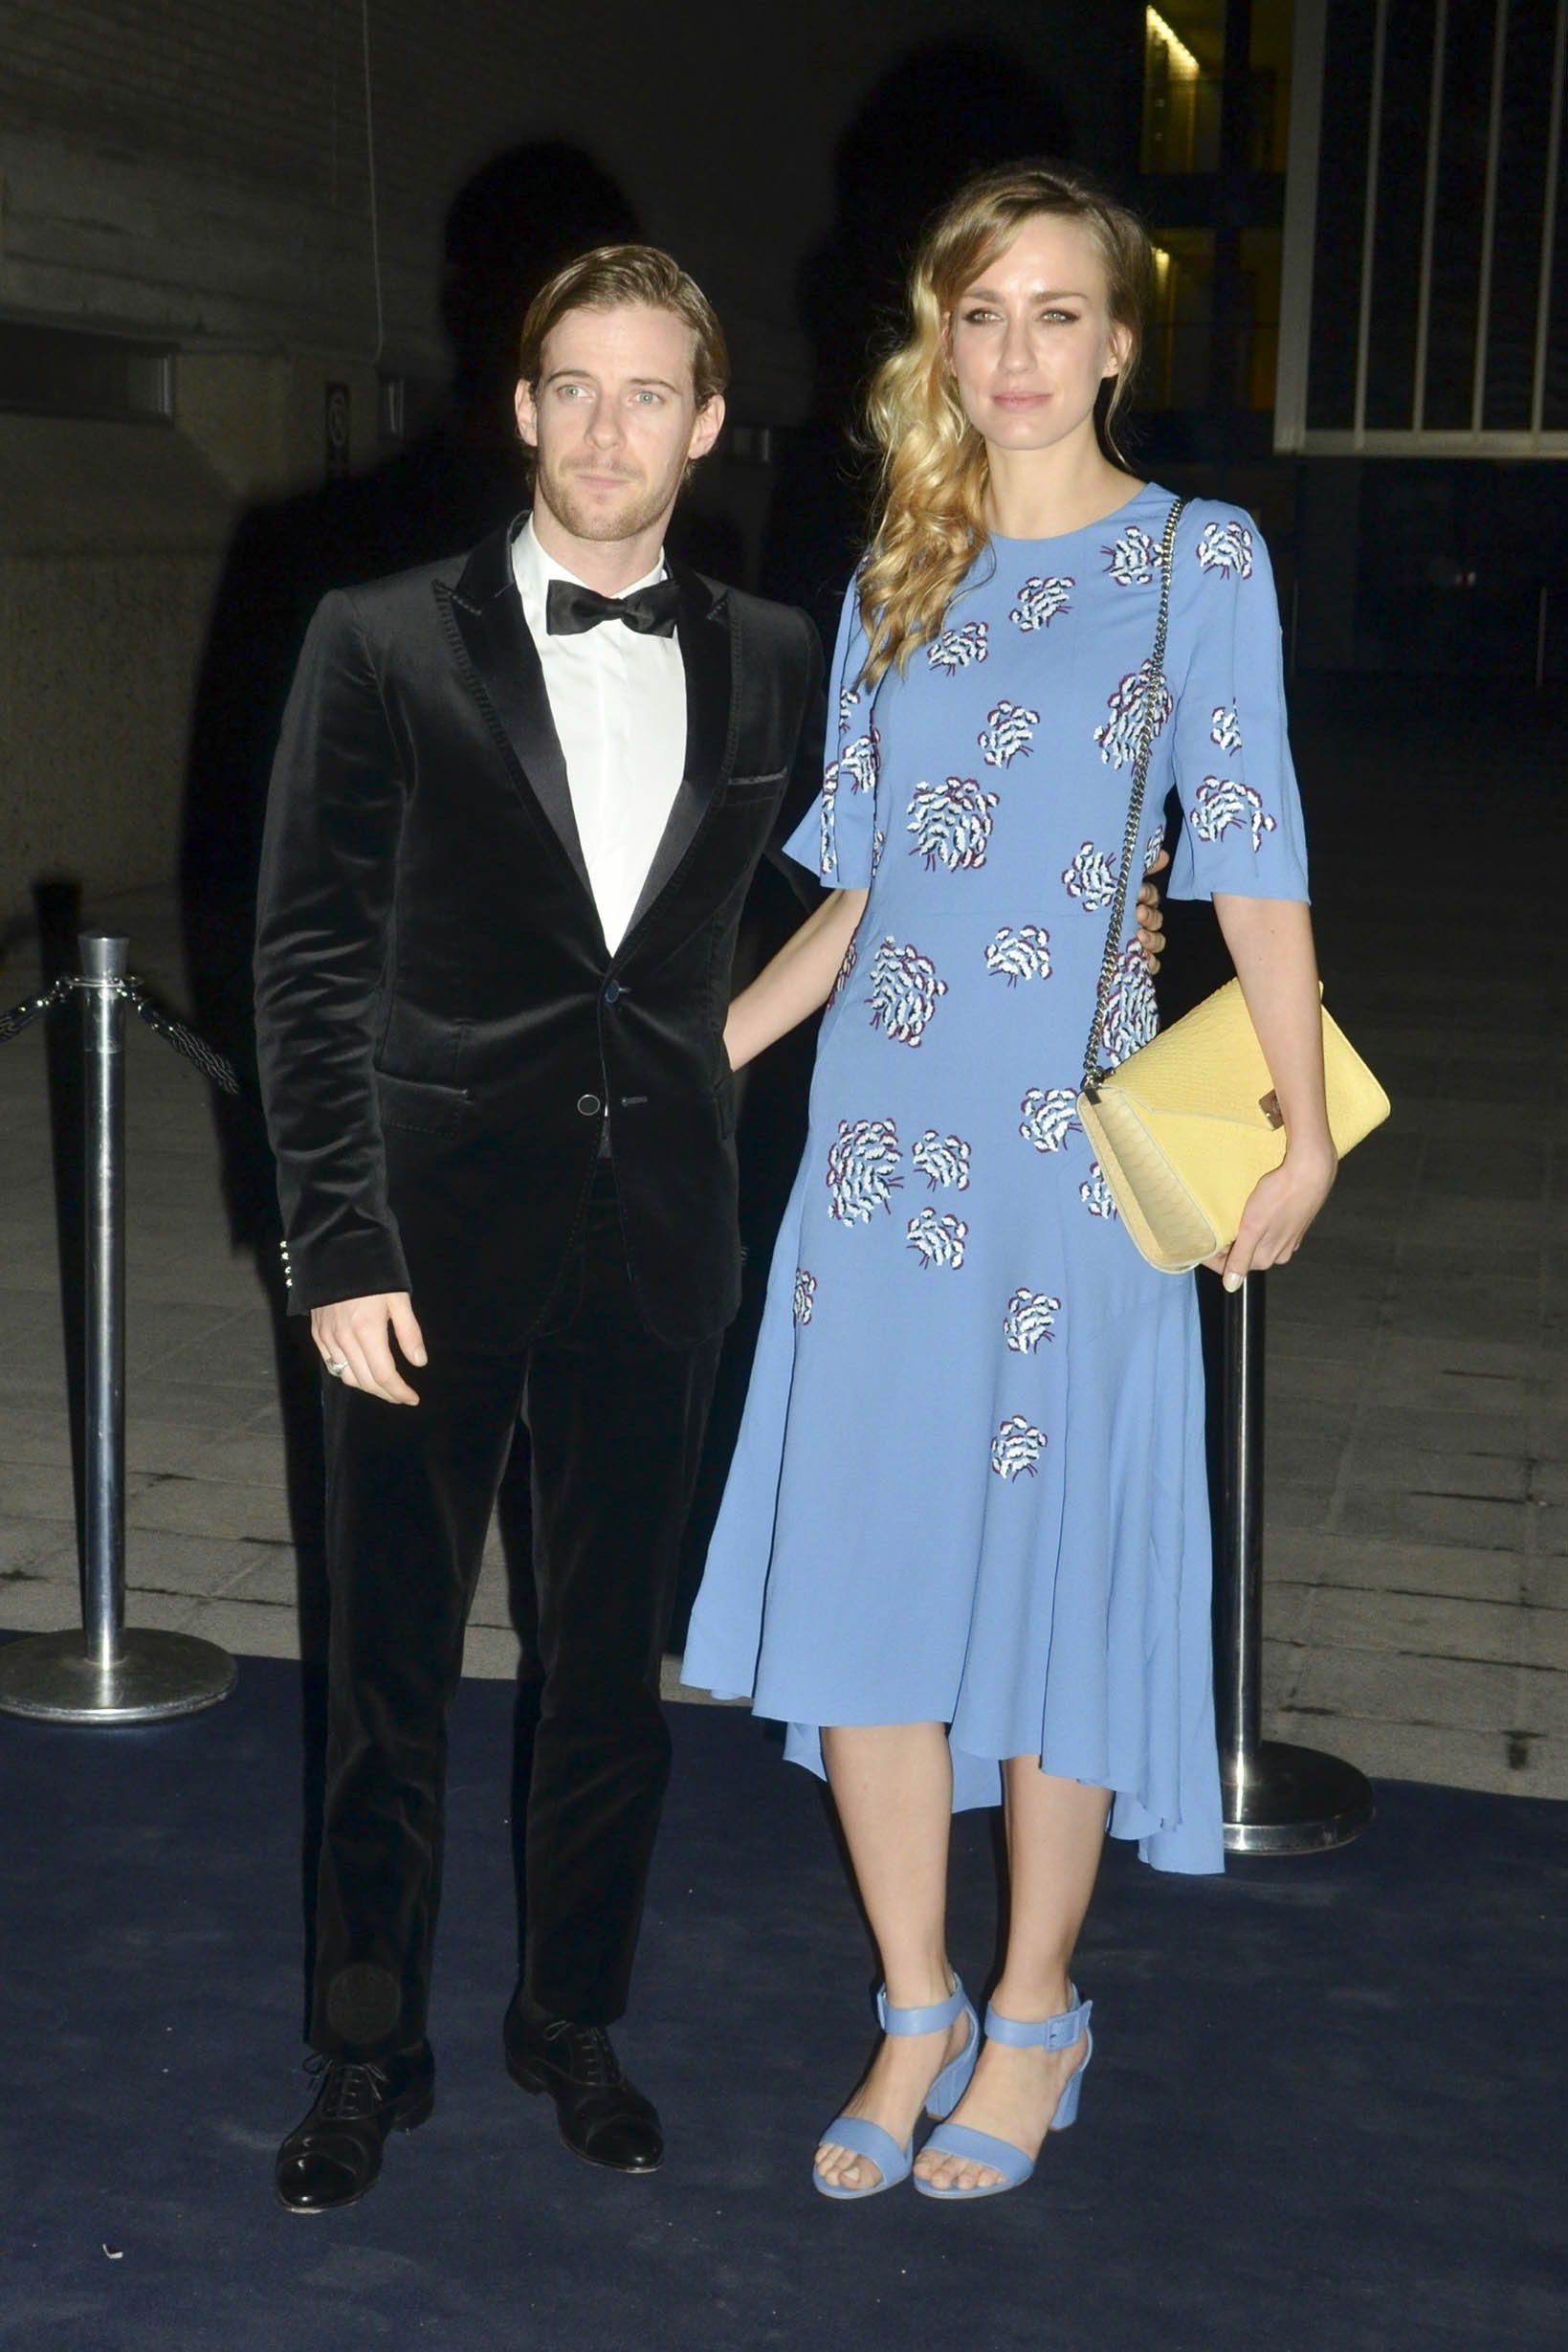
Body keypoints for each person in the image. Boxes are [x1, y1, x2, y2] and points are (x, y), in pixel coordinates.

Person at [681, 160, 1336, 2203]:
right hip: (876, 1160)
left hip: (1070, 1172)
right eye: (982, 314)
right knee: (874, 1585)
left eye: (1059, 312)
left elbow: (1252, 856)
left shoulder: (1196, 562)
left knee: (1049, 1602)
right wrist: (690, 1053)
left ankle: (1035, 2004)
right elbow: (853, 892)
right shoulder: (905, 551)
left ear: (1122, 339)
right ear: (935, 339)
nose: (1017, 353)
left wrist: (1300, 1124)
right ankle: (911, 2001)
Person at [253, 245, 833, 2209]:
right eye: (569, 387)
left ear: (708, 418)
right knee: (385, 1671)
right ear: (518, 407)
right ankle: (365, 2044)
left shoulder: (769, 653)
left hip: (657, 1237)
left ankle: (569, 2021)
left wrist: (718, 1046)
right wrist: (332, 1242)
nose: (605, 428)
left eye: (646, 391)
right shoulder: (379, 636)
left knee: (608, 1676)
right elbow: (308, 957)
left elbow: (905, 855)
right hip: (415, 1242)